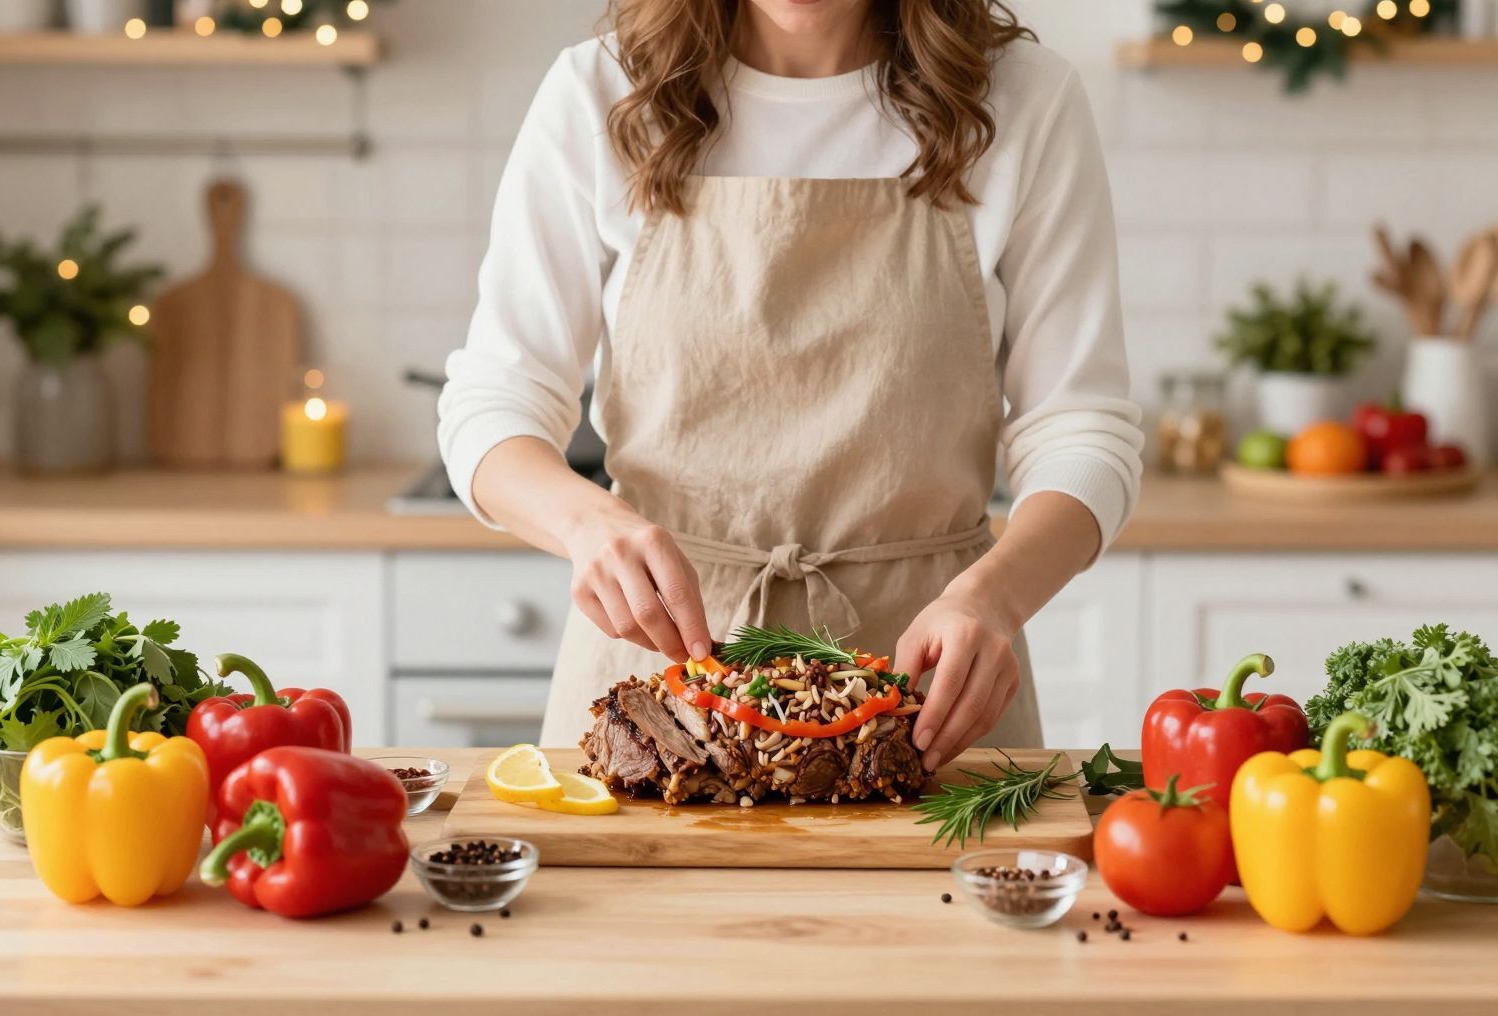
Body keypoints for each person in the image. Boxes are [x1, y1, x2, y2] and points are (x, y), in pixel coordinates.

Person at [438, 0, 1144, 770]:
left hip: (927, 695)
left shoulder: (1022, 100)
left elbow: (1081, 427)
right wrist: (584, 524)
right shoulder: (600, 93)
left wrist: (995, 599)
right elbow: (492, 402)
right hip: (662, 695)